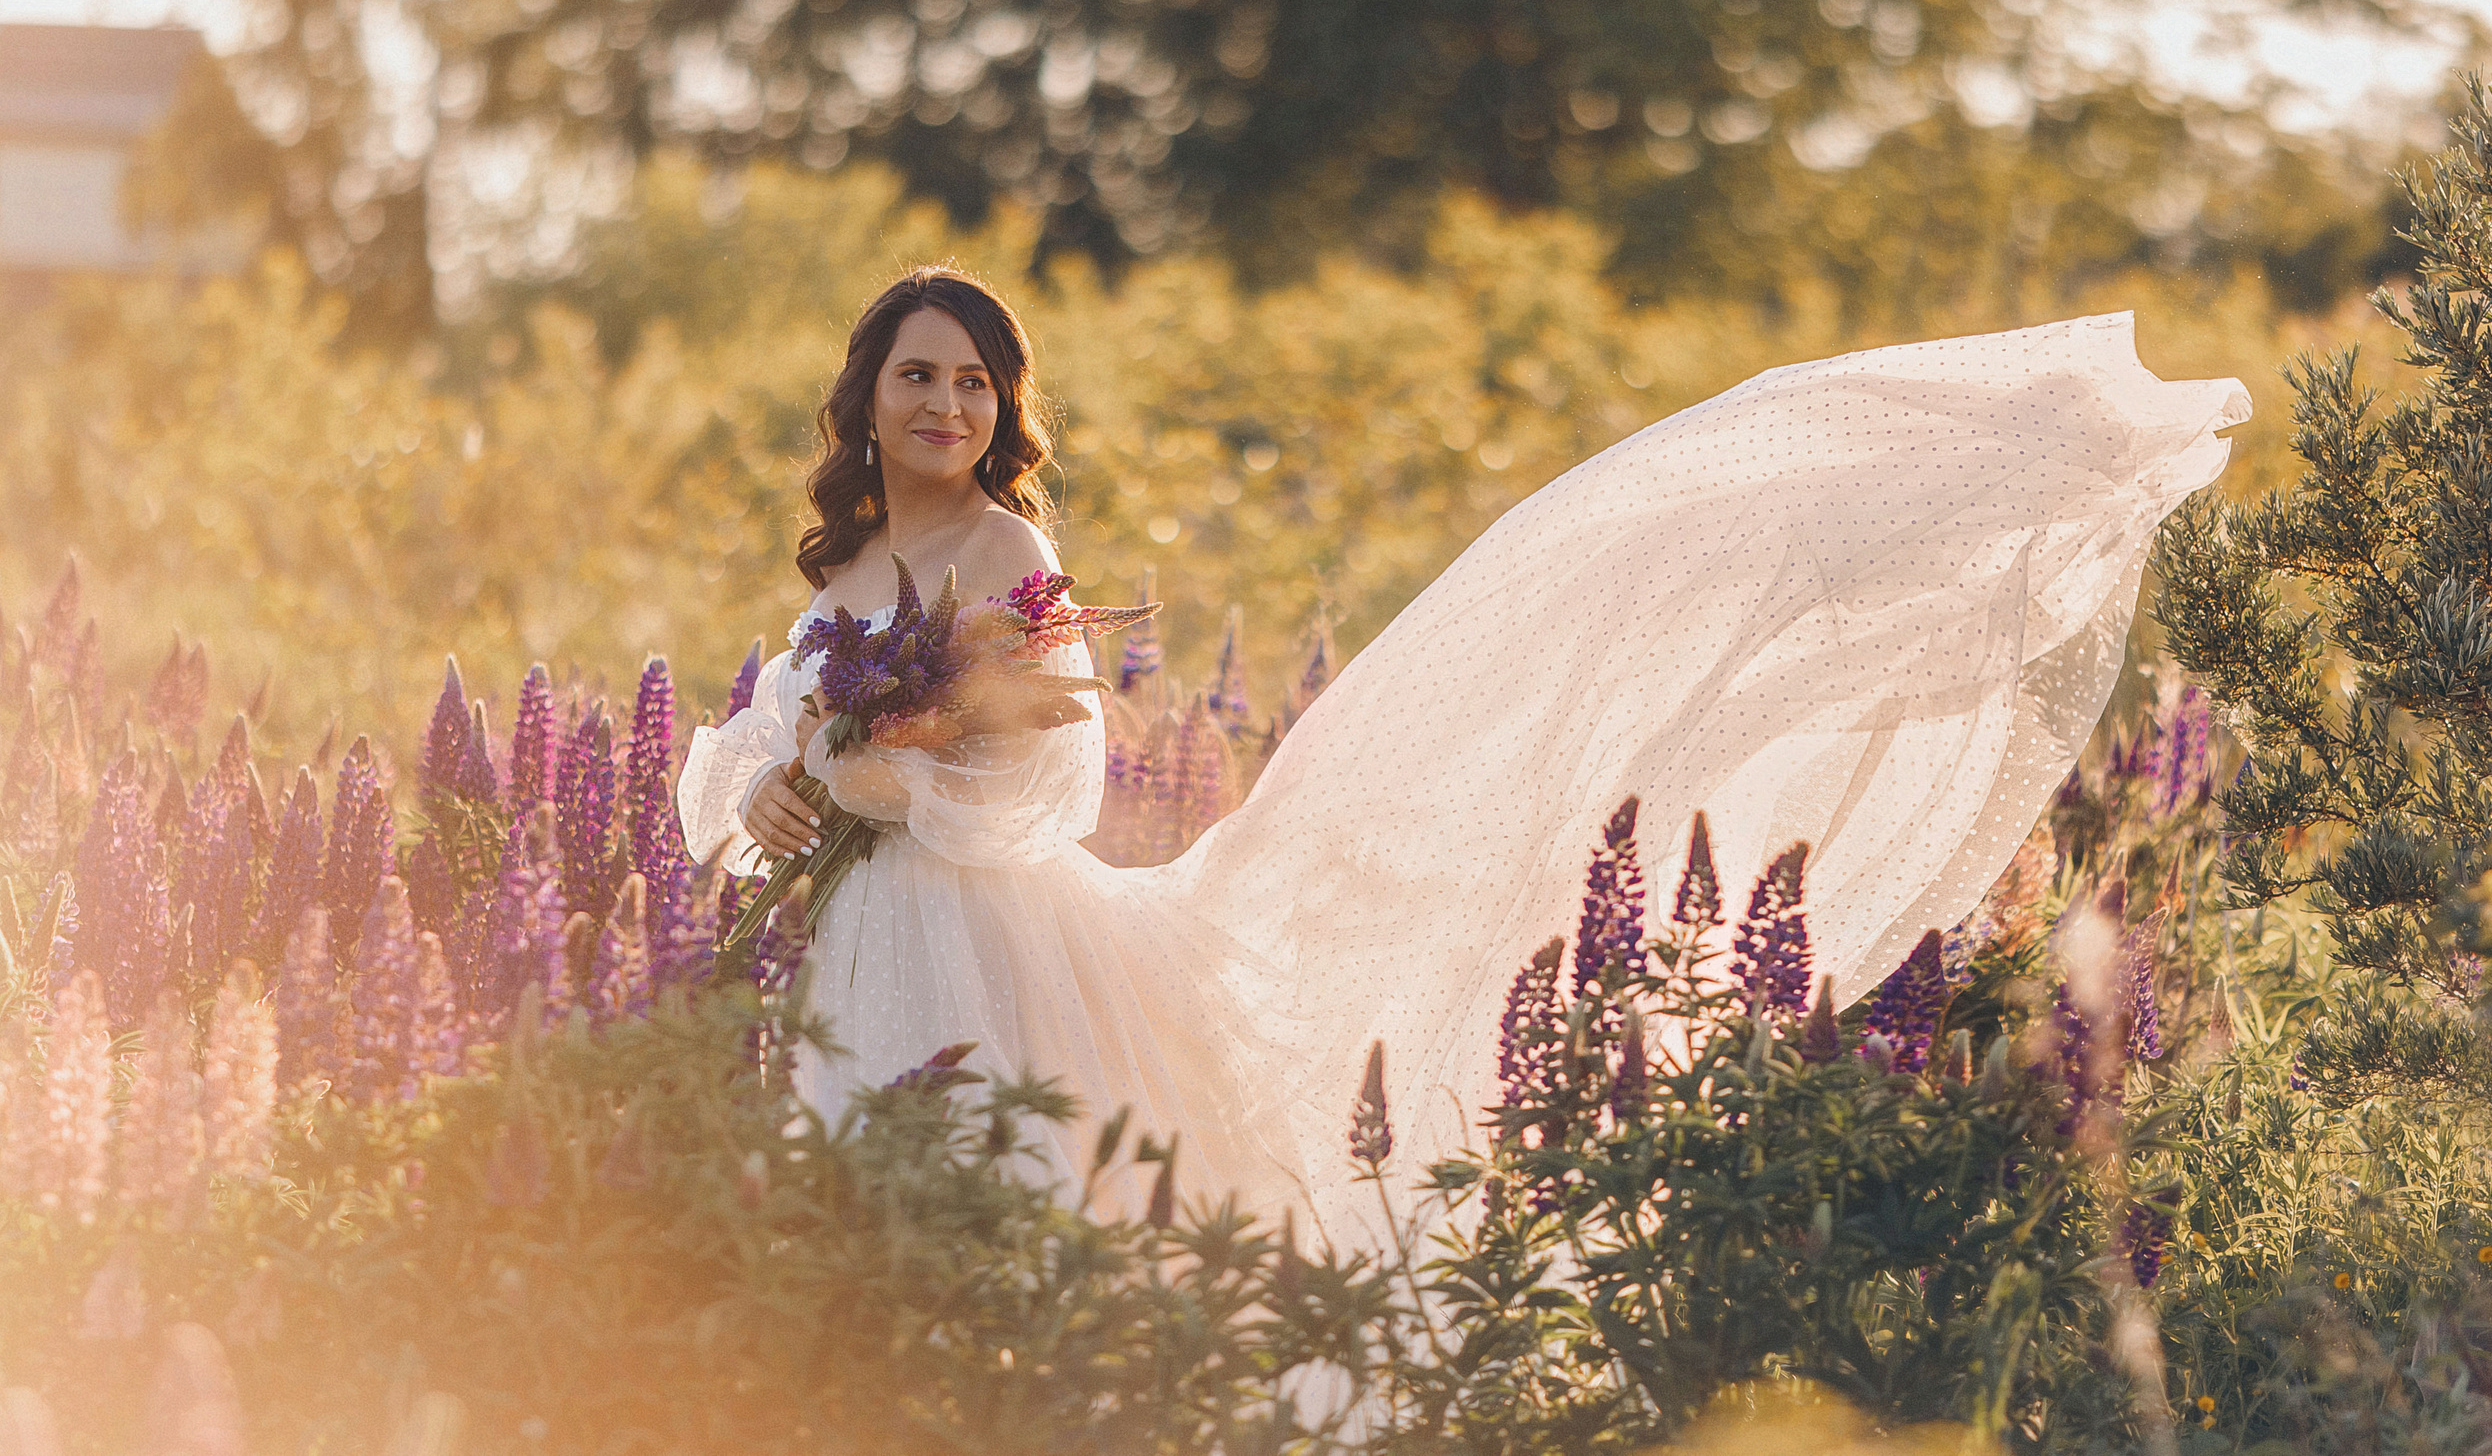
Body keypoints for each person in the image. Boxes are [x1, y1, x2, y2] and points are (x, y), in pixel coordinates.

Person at [678, 266, 2248, 1242]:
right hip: (857, 936)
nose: (948, 403)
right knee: (852, 1217)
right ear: (865, 399)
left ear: (1001, 407)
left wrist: (887, 784)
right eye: (919, 374)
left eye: (974, 379)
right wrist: (769, 786)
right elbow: (764, 736)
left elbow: (1056, 780)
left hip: (976, 942)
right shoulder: (845, 569)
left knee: (984, 1209)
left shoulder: (1013, 555)